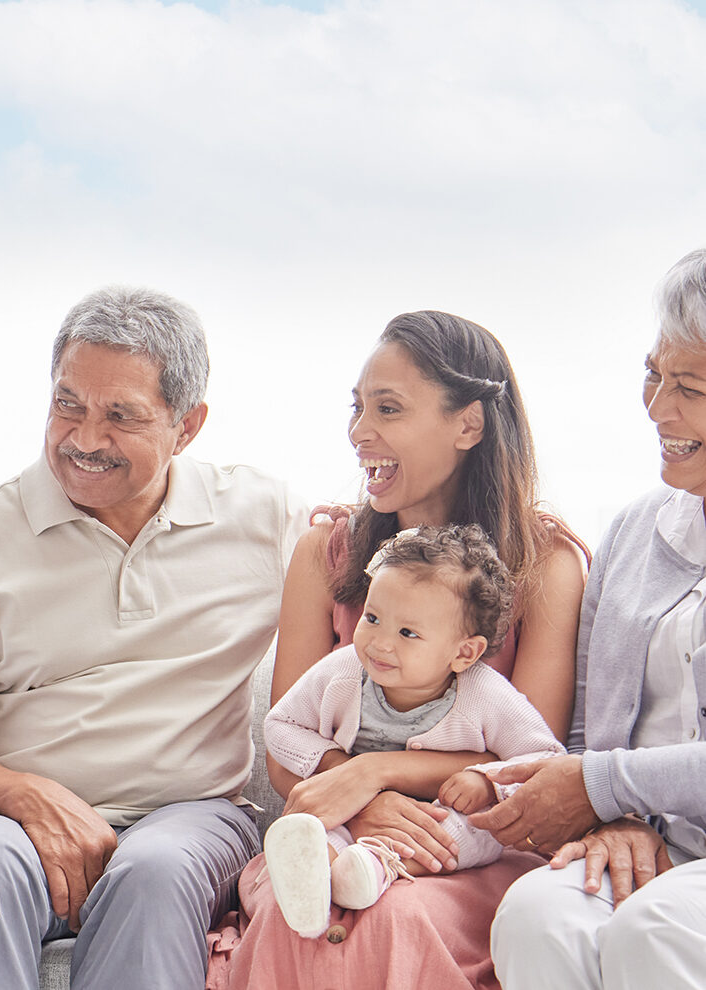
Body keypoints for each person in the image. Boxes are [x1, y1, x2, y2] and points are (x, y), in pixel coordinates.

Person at [0, 286, 307, 990]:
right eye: (68, 404)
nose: (85, 440)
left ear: (189, 425)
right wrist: (29, 797)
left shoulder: (268, 519)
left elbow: (394, 581)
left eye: (122, 416)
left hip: (192, 817)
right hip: (8, 819)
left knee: (155, 870)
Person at [206, 310, 588, 990]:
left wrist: (372, 772)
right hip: (335, 831)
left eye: (388, 409)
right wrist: (355, 797)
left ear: (468, 425)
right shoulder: (324, 556)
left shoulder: (546, 564)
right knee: (307, 915)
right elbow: (286, 744)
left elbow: (529, 767)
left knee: (393, 917)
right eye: (357, 408)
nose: (360, 432)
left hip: (470, 845)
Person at [483, 248, 706, 990]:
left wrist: (604, 786)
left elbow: (594, 770)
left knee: (655, 929)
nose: (658, 409)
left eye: (691, 388)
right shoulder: (635, 530)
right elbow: (586, 733)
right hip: (645, 836)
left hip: (683, 867)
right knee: (536, 915)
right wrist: (611, 818)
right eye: (654, 375)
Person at [262, 524, 565, 938]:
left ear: (464, 652)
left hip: (441, 819)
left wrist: (485, 780)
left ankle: (375, 867)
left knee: (469, 832)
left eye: (407, 633)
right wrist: (337, 768)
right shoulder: (345, 671)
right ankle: (315, 877)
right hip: (356, 813)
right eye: (372, 618)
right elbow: (280, 725)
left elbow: (547, 760)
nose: (380, 643)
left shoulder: (486, 695)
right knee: (320, 823)